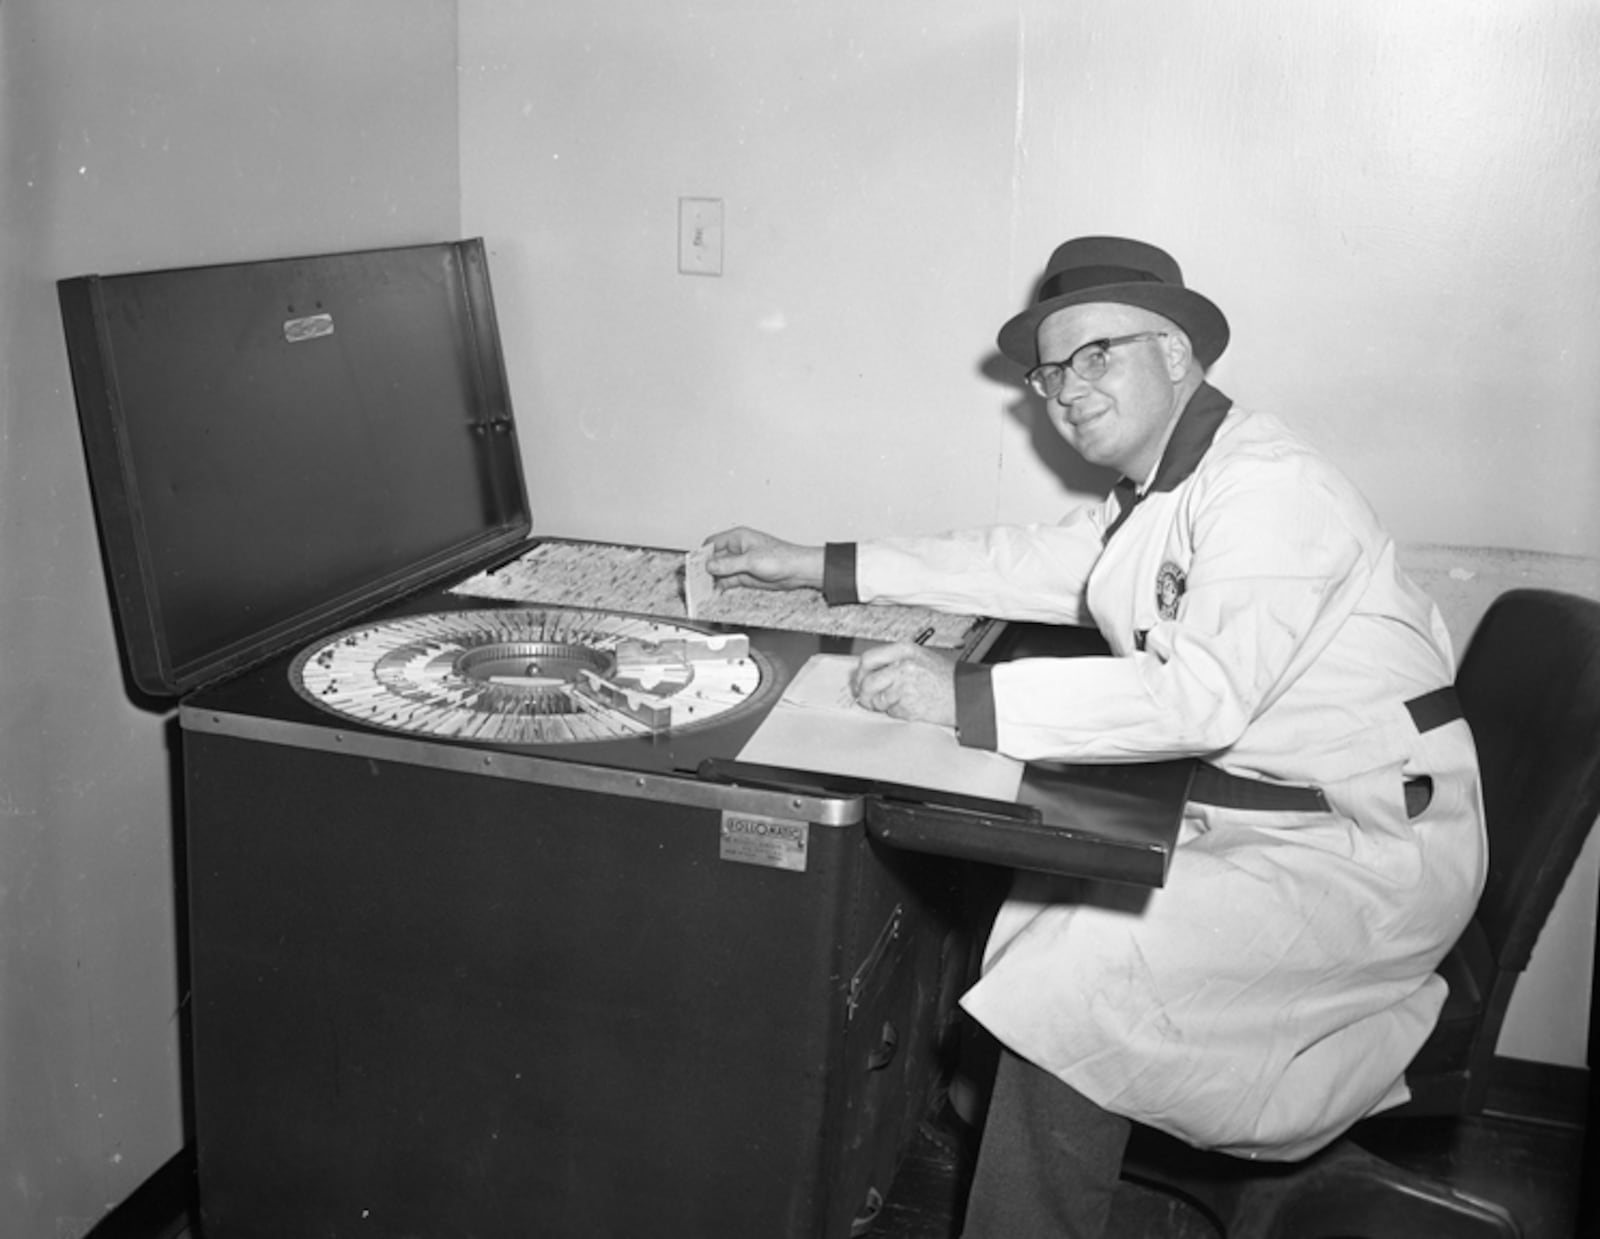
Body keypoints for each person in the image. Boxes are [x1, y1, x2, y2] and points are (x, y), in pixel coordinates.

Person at [704, 236, 1487, 1239]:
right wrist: (808, 562)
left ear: (1174, 354)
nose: (1063, 391)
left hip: (1362, 849)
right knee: (1038, 915)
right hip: (1279, 809)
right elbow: (1014, 563)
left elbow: (1203, 699)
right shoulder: (1162, 491)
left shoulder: (1267, 489)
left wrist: (964, 697)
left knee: (1071, 978)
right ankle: (1052, 1154)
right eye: (1047, 371)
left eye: (1094, 356)